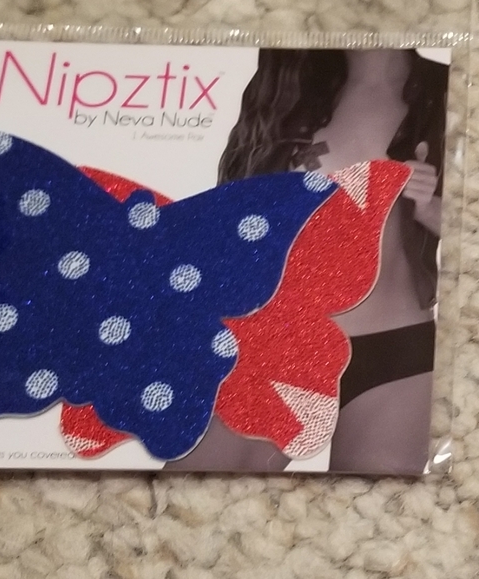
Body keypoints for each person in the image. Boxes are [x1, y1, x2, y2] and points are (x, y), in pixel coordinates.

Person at [166, 48, 448, 474]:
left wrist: (429, 208)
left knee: (372, 513)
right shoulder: (288, 90)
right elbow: (233, 220)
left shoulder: (449, 90)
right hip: (282, 344)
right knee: (192, 498)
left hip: (397, 352)